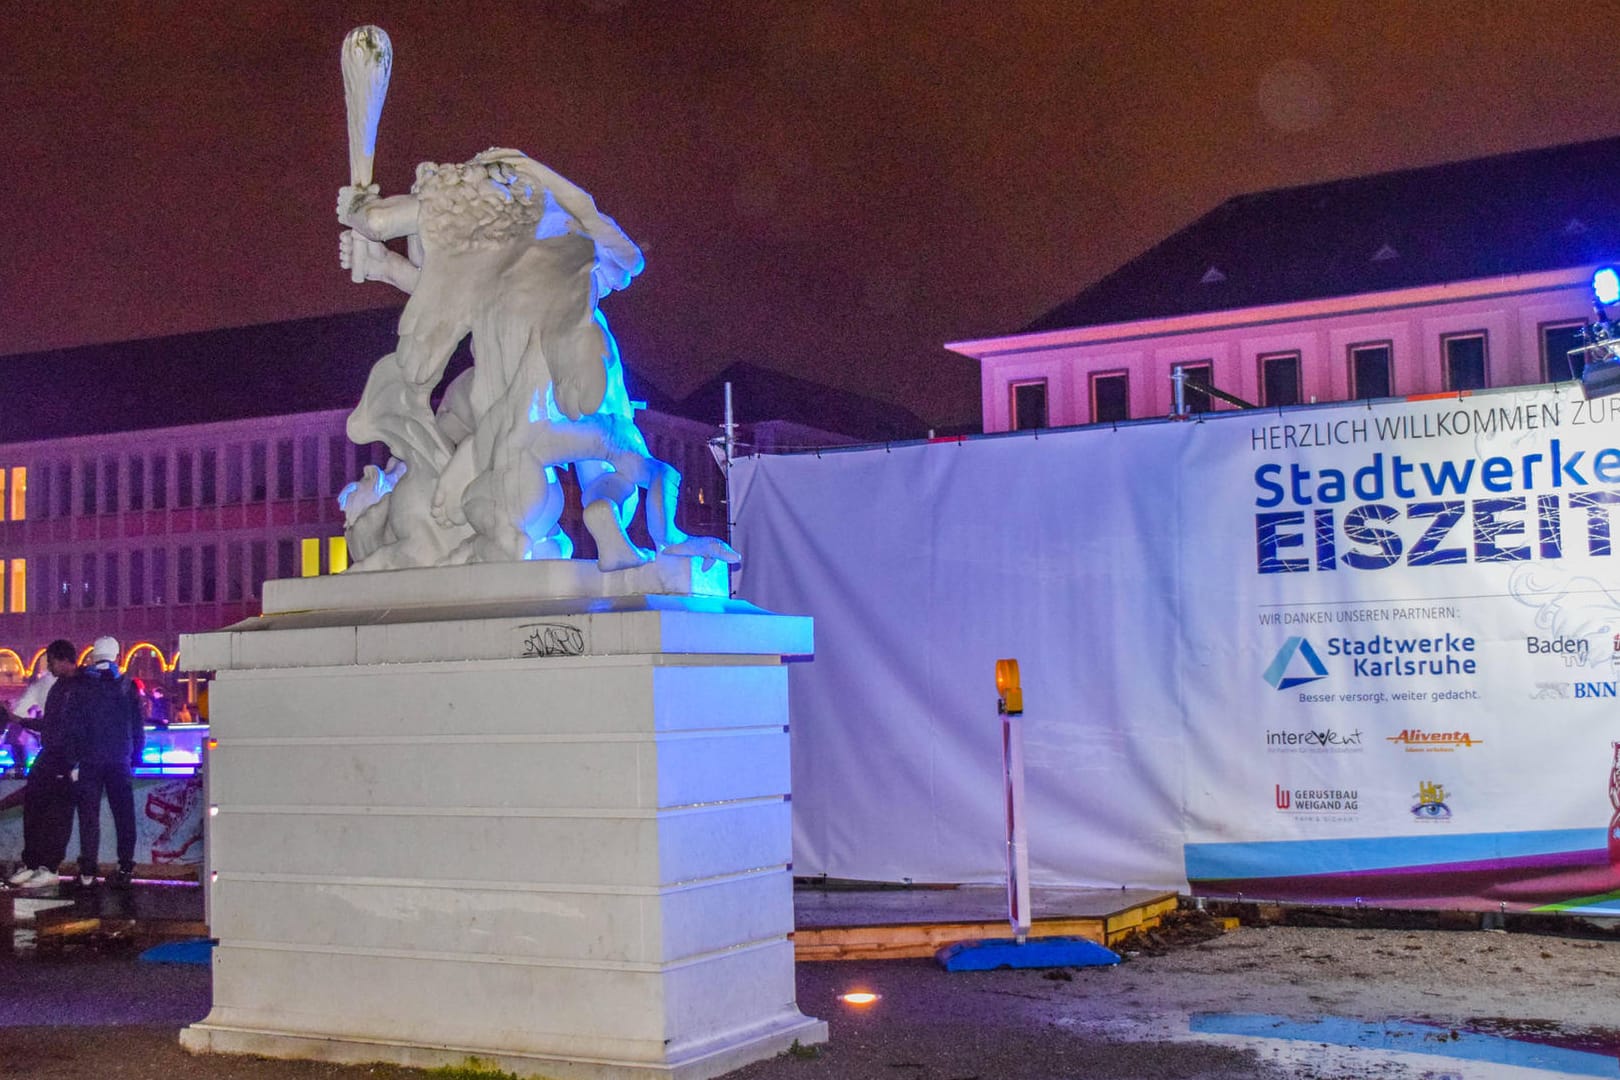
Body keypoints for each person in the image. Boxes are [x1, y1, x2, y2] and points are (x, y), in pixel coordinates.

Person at [63, 637, 144, 888]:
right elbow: (137, 726)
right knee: (123, 814)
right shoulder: (127, 686)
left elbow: (72, 727)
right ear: (117, 656)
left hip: (88, 760)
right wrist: (136, 755)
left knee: (89, 816)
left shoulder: (79, 686)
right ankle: (125, 866)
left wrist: (72, 762)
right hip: (119, 759)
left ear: (93, 657)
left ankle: (88, 871)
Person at [4, 640, 80, 890]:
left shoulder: (80, 687)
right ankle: (33, 863)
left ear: (62, 659)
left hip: (67, 755)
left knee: (57, 813)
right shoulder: (58, 687)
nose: (48, 666)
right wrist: (23, 722)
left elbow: (78, 725)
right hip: (51, 752)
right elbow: (51, 723)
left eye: (50, 661)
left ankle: (50, 866)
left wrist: (78, 760)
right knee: (34, 804)